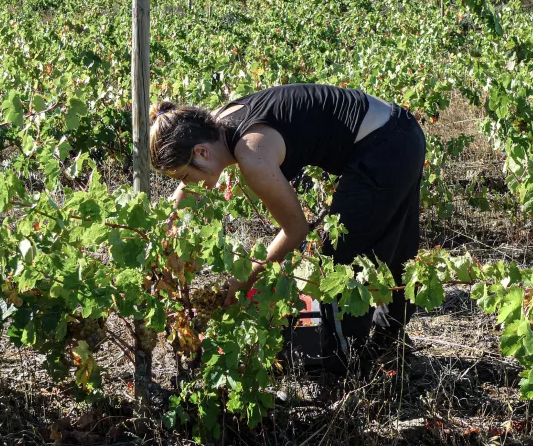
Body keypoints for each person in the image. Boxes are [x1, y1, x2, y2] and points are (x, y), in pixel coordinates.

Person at [150, 83, 426, 375]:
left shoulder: (252, 154)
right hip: (400, 132)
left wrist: (243, 279)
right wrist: (163, 241)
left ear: (201, 153)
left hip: (384, 148)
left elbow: (296, 230)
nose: (189, 185)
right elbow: (183, 195)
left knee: (342, 263)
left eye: (185, 175)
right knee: (393, 250)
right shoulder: (216, 122)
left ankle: (345, 370)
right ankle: (390, 348)